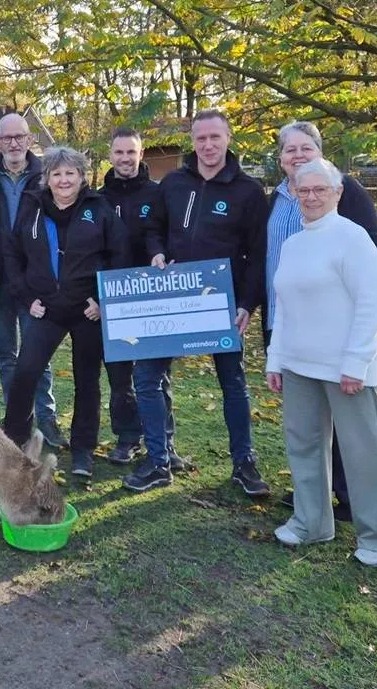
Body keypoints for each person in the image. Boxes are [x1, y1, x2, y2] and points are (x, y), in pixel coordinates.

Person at [266, 158, 377, 567]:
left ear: (338, 193)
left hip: (345, 367)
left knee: (365, 451)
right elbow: (285, 308)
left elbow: (371, 307)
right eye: (303, 190)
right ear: (293, 193)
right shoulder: (294, 244)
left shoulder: (354, 239)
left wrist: (356, 362)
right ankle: (312, 523)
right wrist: (276, 360)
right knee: (305, 446)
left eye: (320, 190)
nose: (310, 197)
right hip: (298, 364)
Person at [124, 109, 270, 495]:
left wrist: (247, 303)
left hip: (221, 302)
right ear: (192, 140)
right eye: (201, 138)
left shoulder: (249, 191)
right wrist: (155, 253)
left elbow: (258, 255)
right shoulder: (172, 182)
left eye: (215, 138)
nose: (207, 145)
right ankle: (158, 460)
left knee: (232, 382)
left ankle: (244, 462)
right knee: (147, 376)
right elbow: (153, 228)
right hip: (172, 299)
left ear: (228, 138)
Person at [1, 146, 131, 478]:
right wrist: (26, 296)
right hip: (46, 309)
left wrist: (102, 300)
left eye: (69, 173)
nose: (63, 180)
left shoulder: (99, 209)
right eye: (56, 173)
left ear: (82, 177)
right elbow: (13, 254)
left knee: (87, 380)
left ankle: (83, 451)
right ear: (46, 178)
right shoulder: (32, 207)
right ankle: (13, 443)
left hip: (86, 310)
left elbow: (119, 257)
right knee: (25, 372)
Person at [98, 127, 183, 468]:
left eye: (131, 152)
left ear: (141, 154)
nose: (125, 159)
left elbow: (163, 235)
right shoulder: (98, 199)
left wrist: (162, 256)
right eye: (119, 153)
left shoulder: (158, 194)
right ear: (111, 156)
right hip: (114, 297)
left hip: (152, 295)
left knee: (158, 375)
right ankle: (127, 437)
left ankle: (164, 442)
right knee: (120, 376)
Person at [0, 113, 64, 448]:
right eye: (6, 138)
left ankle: (47, 419)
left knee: (37, 352)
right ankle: (16, 420)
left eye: (20, 137)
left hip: (37, 281)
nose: (13, 143)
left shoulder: (47, 173)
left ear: (31, 140)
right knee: (6, 353)